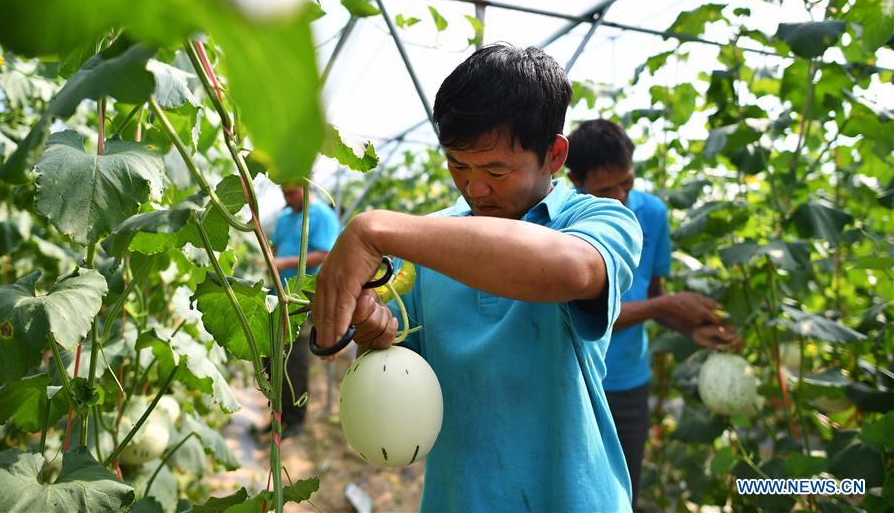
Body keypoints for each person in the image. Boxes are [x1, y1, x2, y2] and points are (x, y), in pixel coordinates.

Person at [311, 45, 643, 512]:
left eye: (496, 170)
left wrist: (372, 228)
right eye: (457, 165)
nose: (474, 188)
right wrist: (374, 335)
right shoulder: (428, 242)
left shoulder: (598, 219)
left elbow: (572, 269)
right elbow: (407, 371)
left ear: (554, 154)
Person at [565, 118, 740, 509]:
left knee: (622, 495)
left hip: (629, 382)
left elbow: (654, 296)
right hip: (573, 381)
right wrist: (665, 305)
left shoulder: (653, 213)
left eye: (627, 183)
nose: (622, 197)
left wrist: (691, 329)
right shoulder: (563, 220)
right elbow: (588, 309)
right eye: (607, 190)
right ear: (576, 181)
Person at [270, 183, 341, 436]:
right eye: (283, 193)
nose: (286, 198)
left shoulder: (321, 214)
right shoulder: (285, 217)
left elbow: (326, 253)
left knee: (294, 356)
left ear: (305, 187)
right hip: (280, 289)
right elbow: (275, 249)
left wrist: (285, 262)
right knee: (274, 353)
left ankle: (296, 420)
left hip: (305, 294)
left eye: (291, 193)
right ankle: (277, 414)